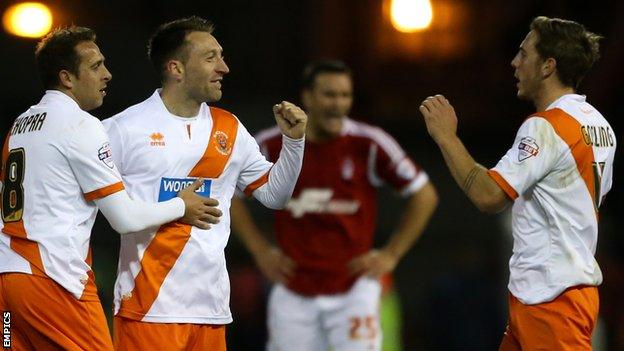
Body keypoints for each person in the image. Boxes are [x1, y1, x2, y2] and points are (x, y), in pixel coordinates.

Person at [0, 26, 219, 351]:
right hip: (52, 278)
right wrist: (181, 206)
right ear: (67, 78)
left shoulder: (20, 124)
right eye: (95, 66)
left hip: (7, 277)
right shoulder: (80, 125)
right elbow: (124, 218)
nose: (107, 74)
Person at [103, 16, 307, 350]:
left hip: (210, 309)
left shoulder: (228, 128)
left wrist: (295, 143)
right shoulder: (123, 129)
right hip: (148, 309)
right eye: (210, 57)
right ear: (176, 68)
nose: (224, 67)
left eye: (222, 56)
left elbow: (275, 196)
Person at [419, 16, 616, 350]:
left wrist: (446, 138)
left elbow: (489, 196)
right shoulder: (600, 126)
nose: (514, 62)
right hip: (557, 294)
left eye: (524, 54)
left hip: (551, 299)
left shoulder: (544, 127)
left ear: (547, 66)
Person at [231, 60, 438, 351]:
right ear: (307, 97)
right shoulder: (271, 144)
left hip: (354, 289)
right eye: (329, 95)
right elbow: (228, 193)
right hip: (293, 290)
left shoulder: (369, 143)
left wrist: (391, 255)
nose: (338, 104)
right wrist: (260, 251)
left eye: (345, 95)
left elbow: (424, 194)